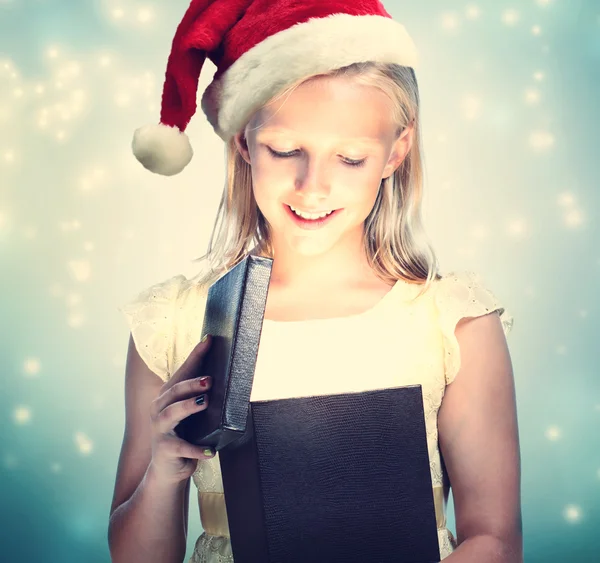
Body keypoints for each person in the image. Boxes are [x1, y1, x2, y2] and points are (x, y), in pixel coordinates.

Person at [108, 1, 523, 562]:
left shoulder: (451, 323)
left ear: (395, 151)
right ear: (243, 141)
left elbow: (495, 540)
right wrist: (163, 469)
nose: (313, 187)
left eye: (350, 158)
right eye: (285, 150)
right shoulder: (177, 322)